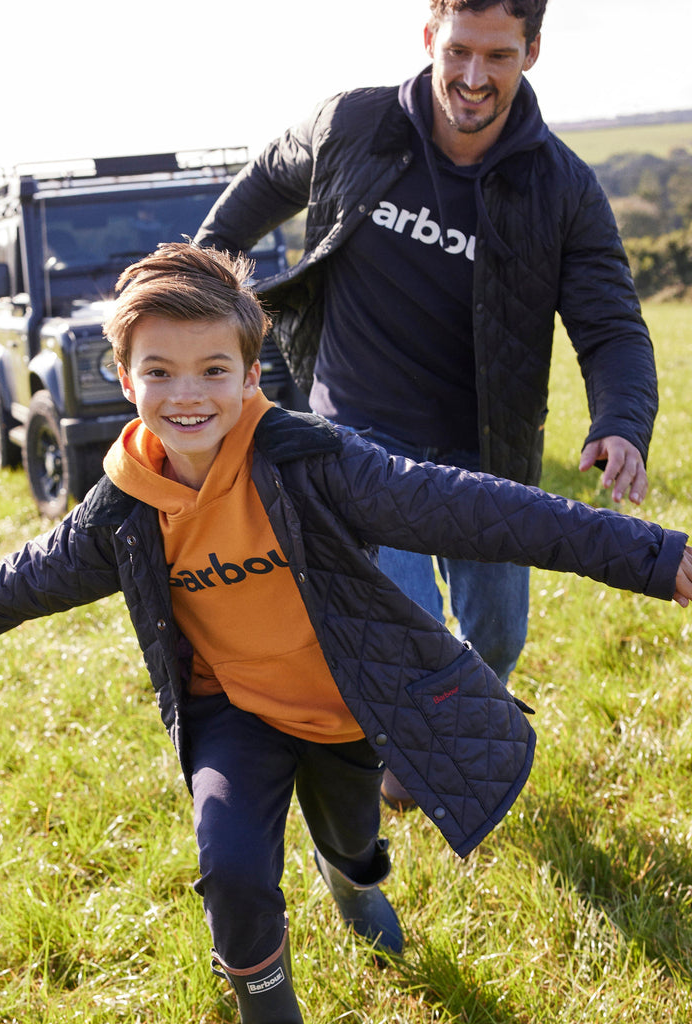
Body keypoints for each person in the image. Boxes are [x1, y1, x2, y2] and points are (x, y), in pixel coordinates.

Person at [0, 244, 690, 1024]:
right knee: (231, 869)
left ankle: (350, 878)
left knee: (354, 843)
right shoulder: (123, 506)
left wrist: (657, 556)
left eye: (212, 370)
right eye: (159, 372)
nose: (186, 394)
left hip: (345, 707)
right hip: (232, 713)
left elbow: (482, 510)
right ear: (126, 379)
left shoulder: (317, 463)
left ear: (249, 375)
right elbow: (34, 572)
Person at [193, 0, 658, 812]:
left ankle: (456, 723)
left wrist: (620, 424)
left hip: (485, 449)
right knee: (403, 616)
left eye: (500, 57)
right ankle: (410, 751)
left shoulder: (562, 189)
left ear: (533, 52)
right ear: (428, 40)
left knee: (498, 633)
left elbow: (610, 325)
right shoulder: (354, 126)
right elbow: (268, 178)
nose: (474, 78)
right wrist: (198, 287)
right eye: (460, 51)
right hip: (357, 440)